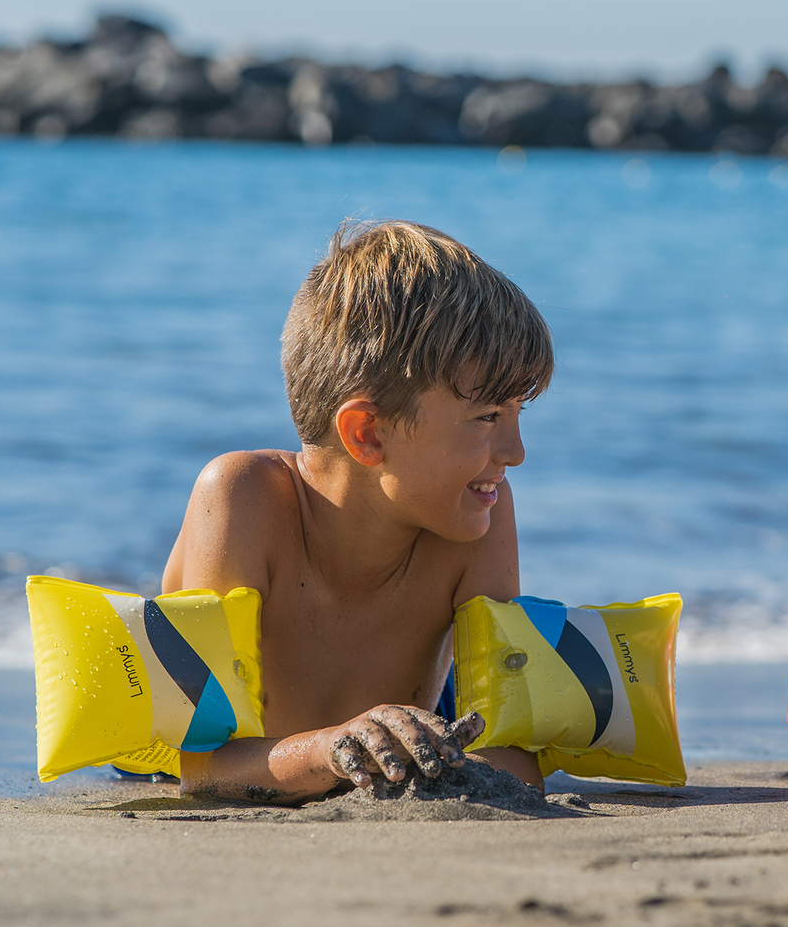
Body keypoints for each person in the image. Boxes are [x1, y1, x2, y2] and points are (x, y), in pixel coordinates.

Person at [161, 220, 553, 801]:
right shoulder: (242, 497)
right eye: (488, 418)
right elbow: (200, 768)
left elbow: (512, 764)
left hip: (410, 725)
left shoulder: (474, 515)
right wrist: (332, 748)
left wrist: (455, 756)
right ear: (367, 433)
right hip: (245, 753)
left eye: (519, 414)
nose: (516, 454)